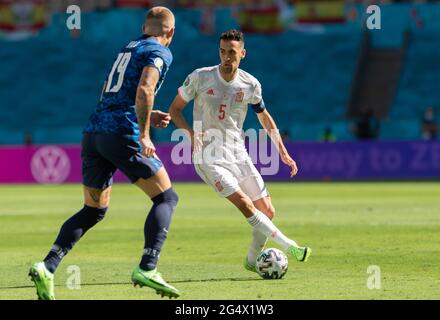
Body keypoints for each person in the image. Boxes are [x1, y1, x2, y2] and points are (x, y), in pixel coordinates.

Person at [29, 7, 180, 300]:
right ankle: (148, 267)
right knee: (166, 197)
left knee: (93, 210)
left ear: (144, 26)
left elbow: (111, 90)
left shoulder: (127, 48)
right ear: (170, 32)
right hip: (122, 132)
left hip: (94, 132)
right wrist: (145, 133)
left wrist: (148, 115)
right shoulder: (160, 51)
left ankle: (47, 266)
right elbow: (145, 90)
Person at [169, 30, 311, 274]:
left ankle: (251, 259)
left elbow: (264, 117)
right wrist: (191, 135)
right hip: (208, 157)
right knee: (246, 205)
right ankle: (290, 246)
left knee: (267, 211)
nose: (226, 57)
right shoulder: (200, 77)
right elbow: (174, 110)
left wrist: (282, 151)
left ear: (242, 54)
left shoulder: (250, 84)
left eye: (232, 52)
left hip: (237, 153)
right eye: (222, 52)